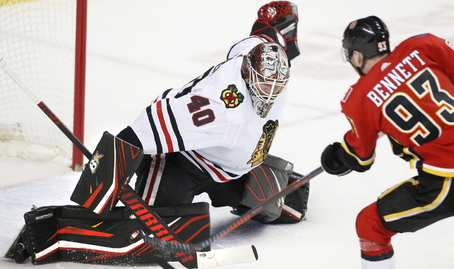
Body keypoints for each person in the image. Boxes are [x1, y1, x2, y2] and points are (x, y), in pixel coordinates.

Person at [6, 1, 309, 266]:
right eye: (263, 84)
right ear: (246, 72)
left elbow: (271, 29)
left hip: (227, 169)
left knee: (284, 204)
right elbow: (143, 129)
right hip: (179, 161)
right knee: (150, 239)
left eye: (276, 86)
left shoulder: (258, 53)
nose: (269, 94)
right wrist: (101, 182)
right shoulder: (217, 109)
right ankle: (50, 231)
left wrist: (284, 13)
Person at [320, 15, 454, 268]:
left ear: (358, 55)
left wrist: (337, 156)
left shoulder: (359, 98)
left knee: (369, 224)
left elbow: (360, 159)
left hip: (449, 180)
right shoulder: (424, 44)